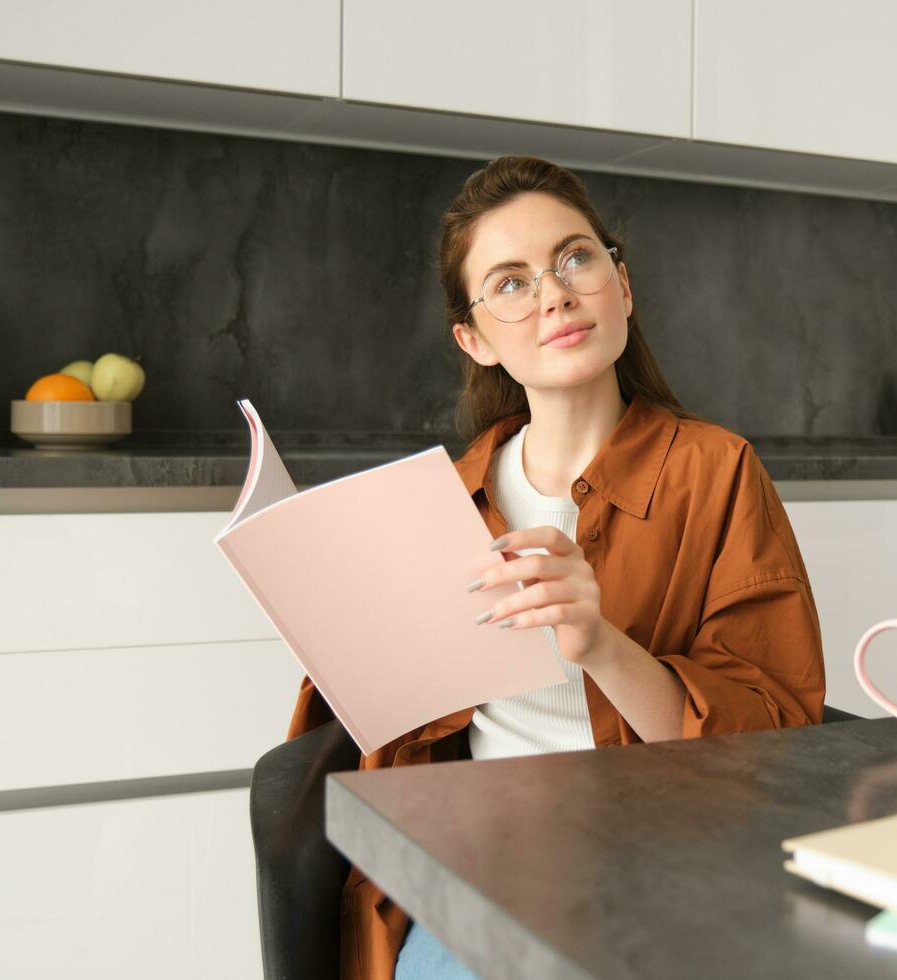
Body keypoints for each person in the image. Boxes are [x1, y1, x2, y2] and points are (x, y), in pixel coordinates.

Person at [284, 155, 827, 980]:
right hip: (483, 868)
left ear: (622, 284)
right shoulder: (448, 501)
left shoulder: (719, 472)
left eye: (575, 258)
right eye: (509, 282)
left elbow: (778, 749)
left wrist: (601, 643)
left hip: (672, 867)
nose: (554, 294)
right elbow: (392, 756)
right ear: (474, 339)